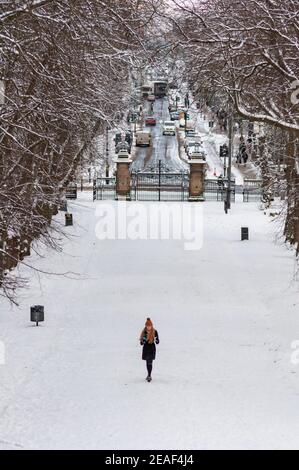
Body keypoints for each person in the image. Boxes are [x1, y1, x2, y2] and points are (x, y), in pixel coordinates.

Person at [139, 318, 159, 382]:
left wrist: (156, 340)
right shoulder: (144, 332)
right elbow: (141, 343)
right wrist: (144, 340)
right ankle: (148, 374)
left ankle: (149, 375)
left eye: (150, 326)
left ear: (151, 325)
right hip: (146, 348)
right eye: (147, 326)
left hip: (152, 348)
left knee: (150, 362)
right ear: (146, 326)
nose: (148, 327)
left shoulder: (155, 332)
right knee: (147, 362)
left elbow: (157, 342)